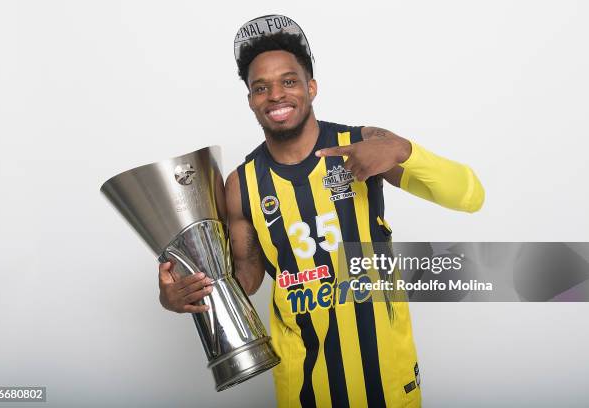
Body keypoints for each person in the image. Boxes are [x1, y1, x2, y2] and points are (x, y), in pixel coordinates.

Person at [158, 14, 484, 408]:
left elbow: (470, 197)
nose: (275, 94)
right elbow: (245, 279)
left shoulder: (362, 144)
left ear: (311, 87)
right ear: (250, 101)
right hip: (303, 388)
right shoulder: (242, 184)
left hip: (388, 377)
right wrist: (184, 296)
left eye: (289, 81)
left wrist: (404, 150)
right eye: (261, 87)